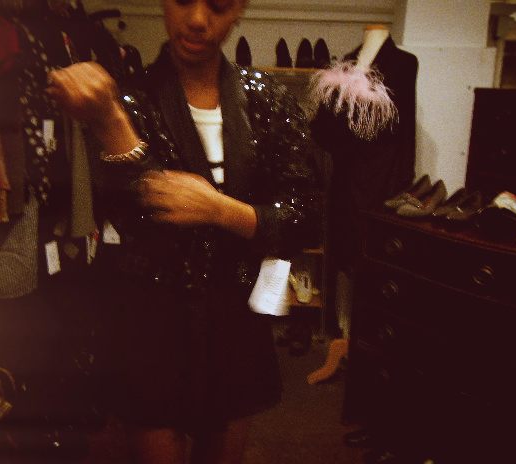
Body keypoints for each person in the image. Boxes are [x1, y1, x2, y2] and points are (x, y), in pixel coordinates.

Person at [45, 1, 320, 463]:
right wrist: (111, 121)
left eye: (218, 5)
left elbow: (305, 215)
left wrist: (220, 211)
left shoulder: (265, 99)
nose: (196, 20)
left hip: (235, 317)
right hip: (152, 317)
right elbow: (136, 206)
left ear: (239, 9)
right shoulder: (125, 99)